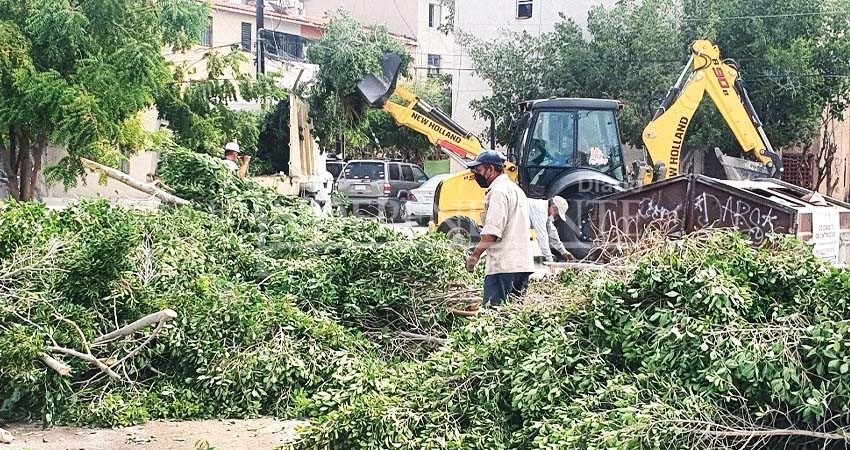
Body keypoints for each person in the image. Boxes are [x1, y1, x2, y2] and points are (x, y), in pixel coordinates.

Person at [464, 150, 535, 307]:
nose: (475, 174)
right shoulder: (516, 189)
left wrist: (474, 257)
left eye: (478, 170)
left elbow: (491, 233)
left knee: (493, 317)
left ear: (490, 169)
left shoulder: (498, 192)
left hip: (503, 267)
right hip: (521, 266)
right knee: (513, 319)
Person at [528, 196, 572, 262]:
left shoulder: (547, 214)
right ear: (553, 208)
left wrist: (563, 251)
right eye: (557, 215)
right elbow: (541, 235)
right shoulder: (540, 210)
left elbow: (552, 232)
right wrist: (549, 259)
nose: (556, 218)